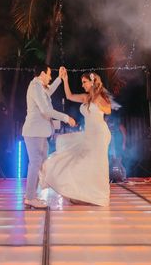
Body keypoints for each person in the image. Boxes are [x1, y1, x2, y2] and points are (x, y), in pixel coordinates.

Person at [39, 68, 112, 206]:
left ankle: (98, 196)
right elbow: (69, 96)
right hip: (89, 135)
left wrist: (97, 99)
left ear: (92, 82)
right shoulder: (86, 97)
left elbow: (108, 109)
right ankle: (80, 193)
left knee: (96, 165)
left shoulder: (100, 97)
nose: (83, 85)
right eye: (82, 82)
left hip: (99, 134)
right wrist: (65, 80)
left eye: (84, 82)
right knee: (80, 162)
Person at [22, 63, 77, 209]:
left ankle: (31, 193)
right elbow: (46, 110)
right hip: (34, 132)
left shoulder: (40, 87)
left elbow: (49, 90)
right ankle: (30, 197)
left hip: (40, 132)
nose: (50, 77)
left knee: (40, 163)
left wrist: (60, 78)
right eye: (49, 74)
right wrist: (66, 118)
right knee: (35, 163)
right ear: (42, 74)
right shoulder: (35, 86)